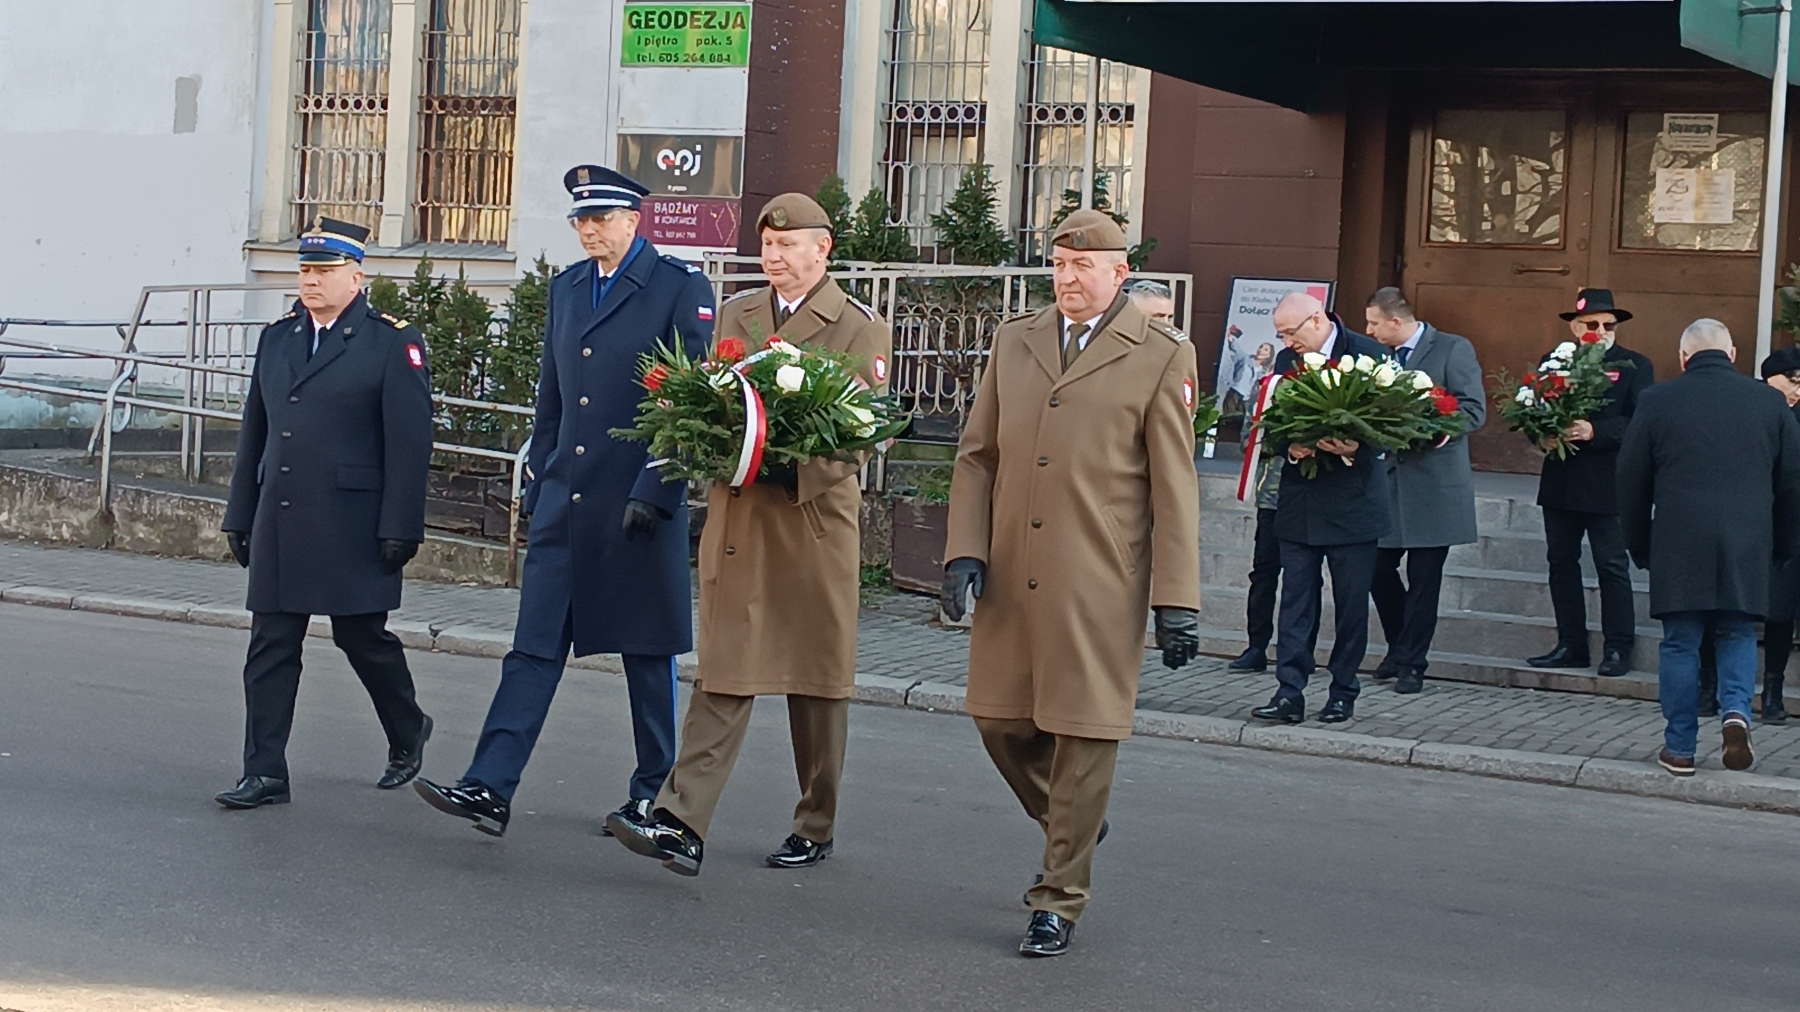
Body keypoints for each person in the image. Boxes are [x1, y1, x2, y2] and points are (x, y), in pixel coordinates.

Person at [413, 166, 715, 837]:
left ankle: (656, 794)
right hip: (567, 502)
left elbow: (688, 404)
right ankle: (490, 785)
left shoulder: (677, 287)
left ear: (633, 220)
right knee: (532, 648)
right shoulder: (568, 287)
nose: (588, 231)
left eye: (600, 219)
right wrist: (540, 475)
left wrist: (658, 488)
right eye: (581, 220)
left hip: (636, 505)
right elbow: (553, 394)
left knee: (646, 655)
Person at [939, 209, 1201, 958]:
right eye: (1058, 264)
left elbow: (1173, 484)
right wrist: (964, 550)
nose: (1066, 278)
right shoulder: (1015, 339)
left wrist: (1176, 600)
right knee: (999, 720)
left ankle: (1058, 899)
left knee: (1083, 734)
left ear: (1119, 273)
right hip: (1011, 569)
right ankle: (1072, 819)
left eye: (1082, 266)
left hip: (1098, 577)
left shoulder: (1160, 354)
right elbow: (978, 455)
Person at [607, 193, 891, 876]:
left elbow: (863, 432)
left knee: (816, 684)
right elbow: (712, 399)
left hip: (810, 524)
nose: (774, 256)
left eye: (788, 245)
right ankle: (681, 821)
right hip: (739, 519)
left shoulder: (858, 326)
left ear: (822, 249)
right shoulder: (736, 313)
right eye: (767, 245)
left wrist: (793, 468)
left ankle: (815, 822)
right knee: (725, 671)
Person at [215, 217, 435, 809]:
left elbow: (409, 444)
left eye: (324, 271)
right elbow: (255, 433)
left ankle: (408, 727)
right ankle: (264, 771)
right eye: (305, 270)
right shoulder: (278, 338)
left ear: (356, 277)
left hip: (352, 521)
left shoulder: (390, 342)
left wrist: (401, 526)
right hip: (282, 516)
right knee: (271, 642)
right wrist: (240, 513)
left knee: (361, 637)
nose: (310, 281)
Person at [1617, 319, 1800, 776]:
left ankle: (1680, 747)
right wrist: (1782, 546)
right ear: (1732, 354)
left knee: (1681, 642)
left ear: (1684, 357)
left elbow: (1631, 480)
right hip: (1747, 539)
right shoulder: (1769, 402)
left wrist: (1639, 544)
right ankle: (1736, 712)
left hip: (1679, 539)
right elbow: (1791, 482)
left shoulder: (1657, 400)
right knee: (1737, 632)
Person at [1248, 292, 1391, 725]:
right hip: (1300, 502)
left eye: (1290, 333)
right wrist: (1289, 447)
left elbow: (1393, 425)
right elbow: (1269, 424)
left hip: (1353, 503)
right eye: (1280, 335)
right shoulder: (1286, 362)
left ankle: (1343, 692)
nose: (1286, 342)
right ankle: (1289, 692)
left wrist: (1358, 447)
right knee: (1295, 602)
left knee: (1351, 605)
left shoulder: (1368, 354)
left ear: (1316, 319)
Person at [1363, 287, 1485, 695]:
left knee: (1424, 577)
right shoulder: (1377, 355)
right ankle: (1400, 645)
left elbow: (1473, 410)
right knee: (1376, 567)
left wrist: (1433, 431)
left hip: (1434, 485)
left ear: (1396, 321)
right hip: (1388, 483)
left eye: (1374, 323)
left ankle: (1413, 662)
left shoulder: (1452, 348)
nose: (1369, 331)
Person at [1527, 289, 1654, 677]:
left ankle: (1618, 647)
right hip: (1562, 479)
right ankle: (1571, 644)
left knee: (1611, 566)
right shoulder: (1555, 361)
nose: (1600, 331)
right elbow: (1533, 408)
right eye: (1591, 324)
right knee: (1561, 563)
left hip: (1607, 481)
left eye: (1608, 325)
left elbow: (1640, 422)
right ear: (1575, 327)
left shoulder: (1634, 365)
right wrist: (1542, 436)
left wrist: (1595, 430)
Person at [1757, 346, 1800, 723]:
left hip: (1793, 525)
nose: (1797, 390)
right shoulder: (1756, 411)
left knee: (1783, 612)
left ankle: (1773, 690)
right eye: (1793, 381)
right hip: (1759, 522)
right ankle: (1710, 682)